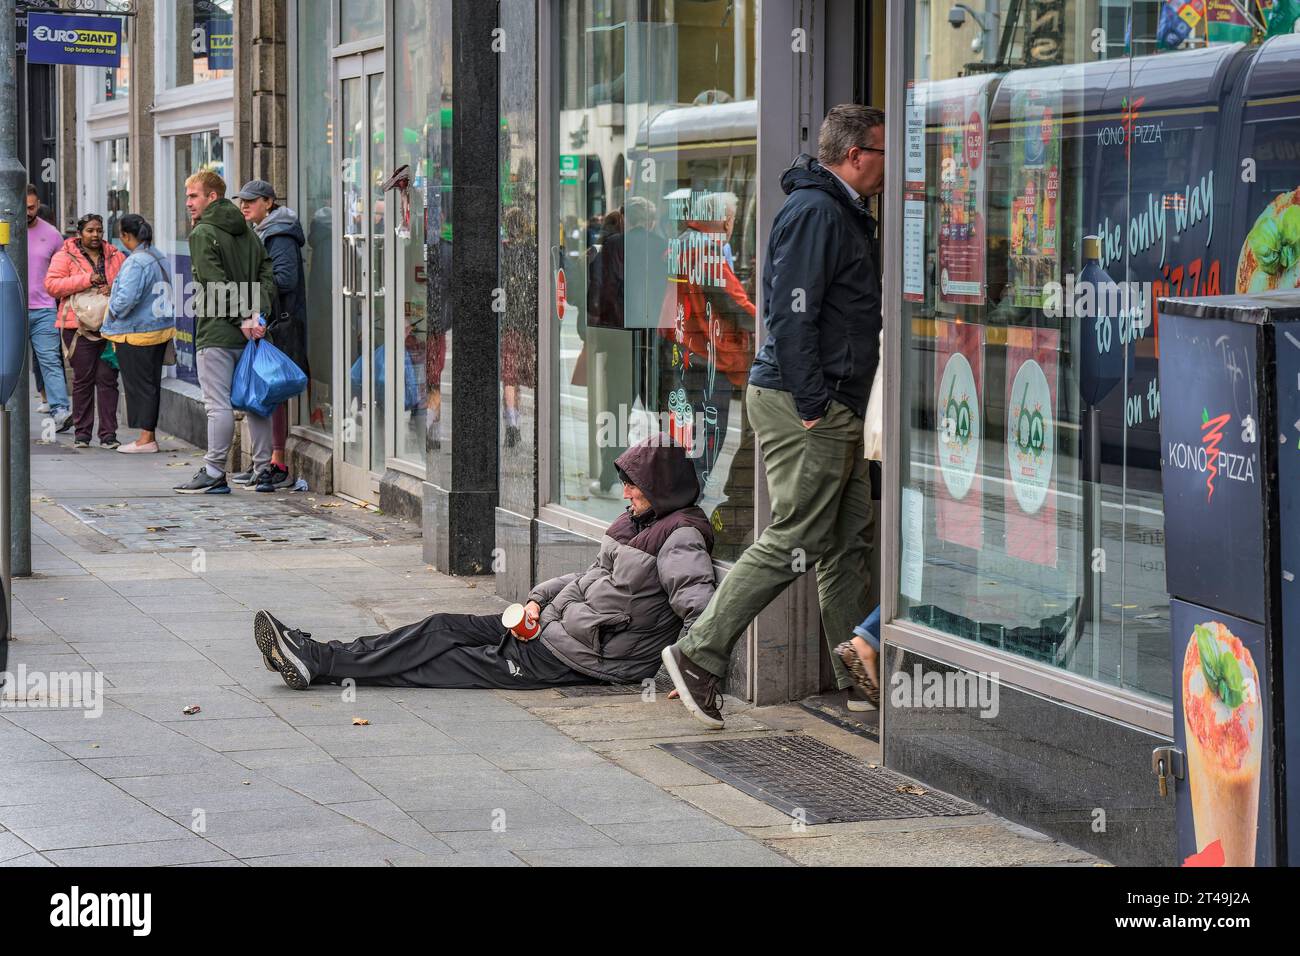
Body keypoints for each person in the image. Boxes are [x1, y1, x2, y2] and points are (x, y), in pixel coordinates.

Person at [661, 104, 886, 728]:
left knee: (846, 542)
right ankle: (699, 655)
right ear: (855, 156)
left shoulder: (837, 209)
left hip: (826, 400)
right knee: (797, 535)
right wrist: (814, 407)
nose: (889, 167)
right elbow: (791, 315)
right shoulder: (819, 211)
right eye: (884, 153)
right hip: (806, 402)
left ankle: (857, 673)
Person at [252, 436, 717, 691]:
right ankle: (318, 655)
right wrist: (536, 600)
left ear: (661, 486)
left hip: (578, 657)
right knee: (439, 627)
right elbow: (586, 577)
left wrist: (692, 677)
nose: (626, 492)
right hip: (546, 629)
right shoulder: (637, 522)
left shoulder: (680, 537)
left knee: (442, 662)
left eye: (635, 484)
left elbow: (703, 611)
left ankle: (319, 660)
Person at [173, 171, 277, 495]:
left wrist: (243, 316)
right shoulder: (248, 231)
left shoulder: (203, 233)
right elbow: (266, 274)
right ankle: (263, 471)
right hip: (252, 334)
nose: (188, 203)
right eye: (188, 197)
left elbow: (212, 284)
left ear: (212, 197)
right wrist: (256, 314)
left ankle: (215, 471)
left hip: (218, 332)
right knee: (256, 403)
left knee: (217, 406)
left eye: (194, 196)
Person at [234, 180, 309, 491]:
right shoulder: (263, 231)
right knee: (270, 391)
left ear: (269, 201)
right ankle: (267, 462)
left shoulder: (278, 234)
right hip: (271, 320)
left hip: (281, 323)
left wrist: (251, 285)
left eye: (252, 201)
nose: (245, 206)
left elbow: (285, 279)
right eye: (242, 201)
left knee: (274, 391)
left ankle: (276, 463)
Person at [45, 213, 126, 450]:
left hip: (108, 326)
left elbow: (125, 283)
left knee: (108, 379)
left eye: (99, 230)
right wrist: (86, 279)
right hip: (77, 327)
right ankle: (82, 434)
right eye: (90, 230)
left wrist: (112, 288)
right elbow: (52, 286)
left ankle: (109, 435)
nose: (95, 235)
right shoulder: (64, 256)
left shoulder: (115, 255)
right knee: (83, 380)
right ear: (79, 233)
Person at [102, 214, 175, 454]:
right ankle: (148, 436)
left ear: (125, 236)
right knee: (150, 384)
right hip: (158, 329)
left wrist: (110, 309)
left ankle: (146, 439)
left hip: (137, 333)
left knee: (139, 386)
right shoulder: (158, 255)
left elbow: (125, 300)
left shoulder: (136, 261)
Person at [26, 186, 71, 432]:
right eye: (23, 207)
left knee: (50, 361)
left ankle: (61, 411)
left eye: (32, 207)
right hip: (9, 308)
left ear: (38, 204)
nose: (27, 213)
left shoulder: (52, 235)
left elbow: (64, 270)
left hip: (43, 308)